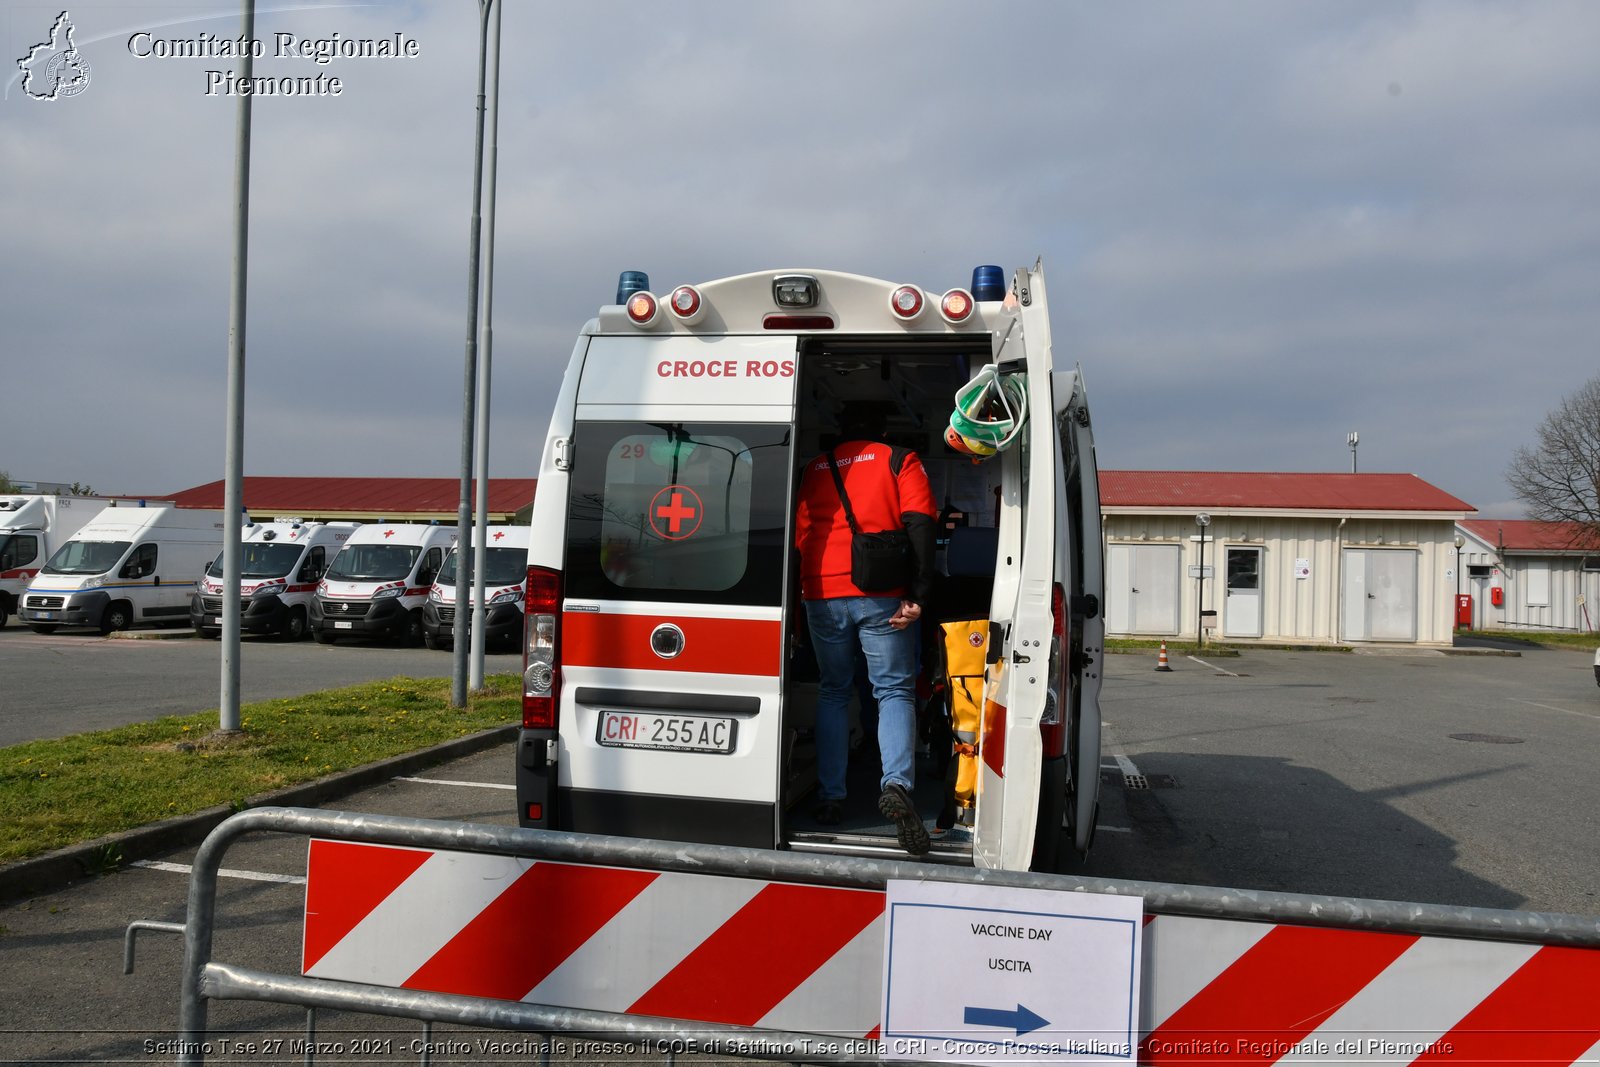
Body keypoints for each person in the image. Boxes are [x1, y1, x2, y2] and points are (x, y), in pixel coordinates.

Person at [794, 402, 936, 855]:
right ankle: (896, 785)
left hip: (820, 591)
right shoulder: (899, 459)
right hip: (879, 592)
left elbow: (801, 538)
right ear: (880, 429)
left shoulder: (815, 467)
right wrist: (918, 593)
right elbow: (920, 525)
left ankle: (831, 796)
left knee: (834, 690)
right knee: (892, 690)